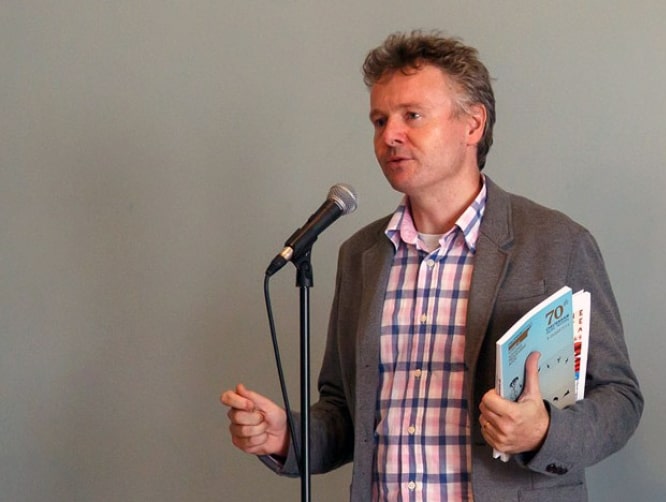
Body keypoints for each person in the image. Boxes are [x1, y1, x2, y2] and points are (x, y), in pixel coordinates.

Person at [221, 30, 643, 501]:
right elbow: (345, 413)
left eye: (412, 115)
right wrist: (287, 436)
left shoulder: (558, 243)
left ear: (473, 125)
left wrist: (543, 431)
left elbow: (620, 400)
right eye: (379, 120)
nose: (389, 135)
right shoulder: (360, 256)